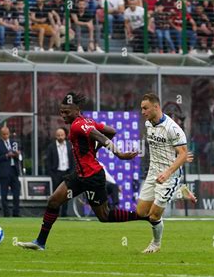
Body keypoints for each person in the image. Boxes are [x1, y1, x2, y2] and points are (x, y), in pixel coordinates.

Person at [17, 92, 148, 251]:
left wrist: (118, 153)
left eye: (66, 112)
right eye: (61, 111)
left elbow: (99, 135)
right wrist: (94, 150)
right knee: (53, 201)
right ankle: (40, 242)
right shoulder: (87, 121)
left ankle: (142, 216)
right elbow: (111, 131)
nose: (63, 115)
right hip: (79, 175)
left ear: (77, 110)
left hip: (92, 176)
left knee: (104, 216)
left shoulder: (78, 124)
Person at [135, 93, 189, 253]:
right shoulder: (148, 125)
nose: (143, 112)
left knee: (153, 216)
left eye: (145, 108)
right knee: (140, 212)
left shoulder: (173, 129)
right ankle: (179, 193)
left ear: (156, 107)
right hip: (153, 173)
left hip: (169, 176)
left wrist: (168, 172)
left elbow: (183, 154)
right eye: (141, 108)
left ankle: (156, 244)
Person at [0, 126, 21, 217]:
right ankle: (6, 213)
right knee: (4, 194)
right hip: (4, 172)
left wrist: (17, 154)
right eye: (4, 134)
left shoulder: (14, 143)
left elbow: (20, 157)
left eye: (7, 134)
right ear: (1, 135)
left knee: (16, 193)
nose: (6, 136)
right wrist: (6, 155)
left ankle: (16, 213)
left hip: (14, 171)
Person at [45, 127, 74, 217]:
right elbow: (48, 162)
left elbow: (73, 160)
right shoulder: (51, 147)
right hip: (56, 173)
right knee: (56, 195)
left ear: (65, 136)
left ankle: (64, 213)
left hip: (67, 173)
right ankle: (55, 214)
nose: (60, 137)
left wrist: (72, 173)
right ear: (55, 136)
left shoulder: (70, 145)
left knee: (66, 194)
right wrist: (52, 174)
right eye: (58, 135)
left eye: (62, 135)